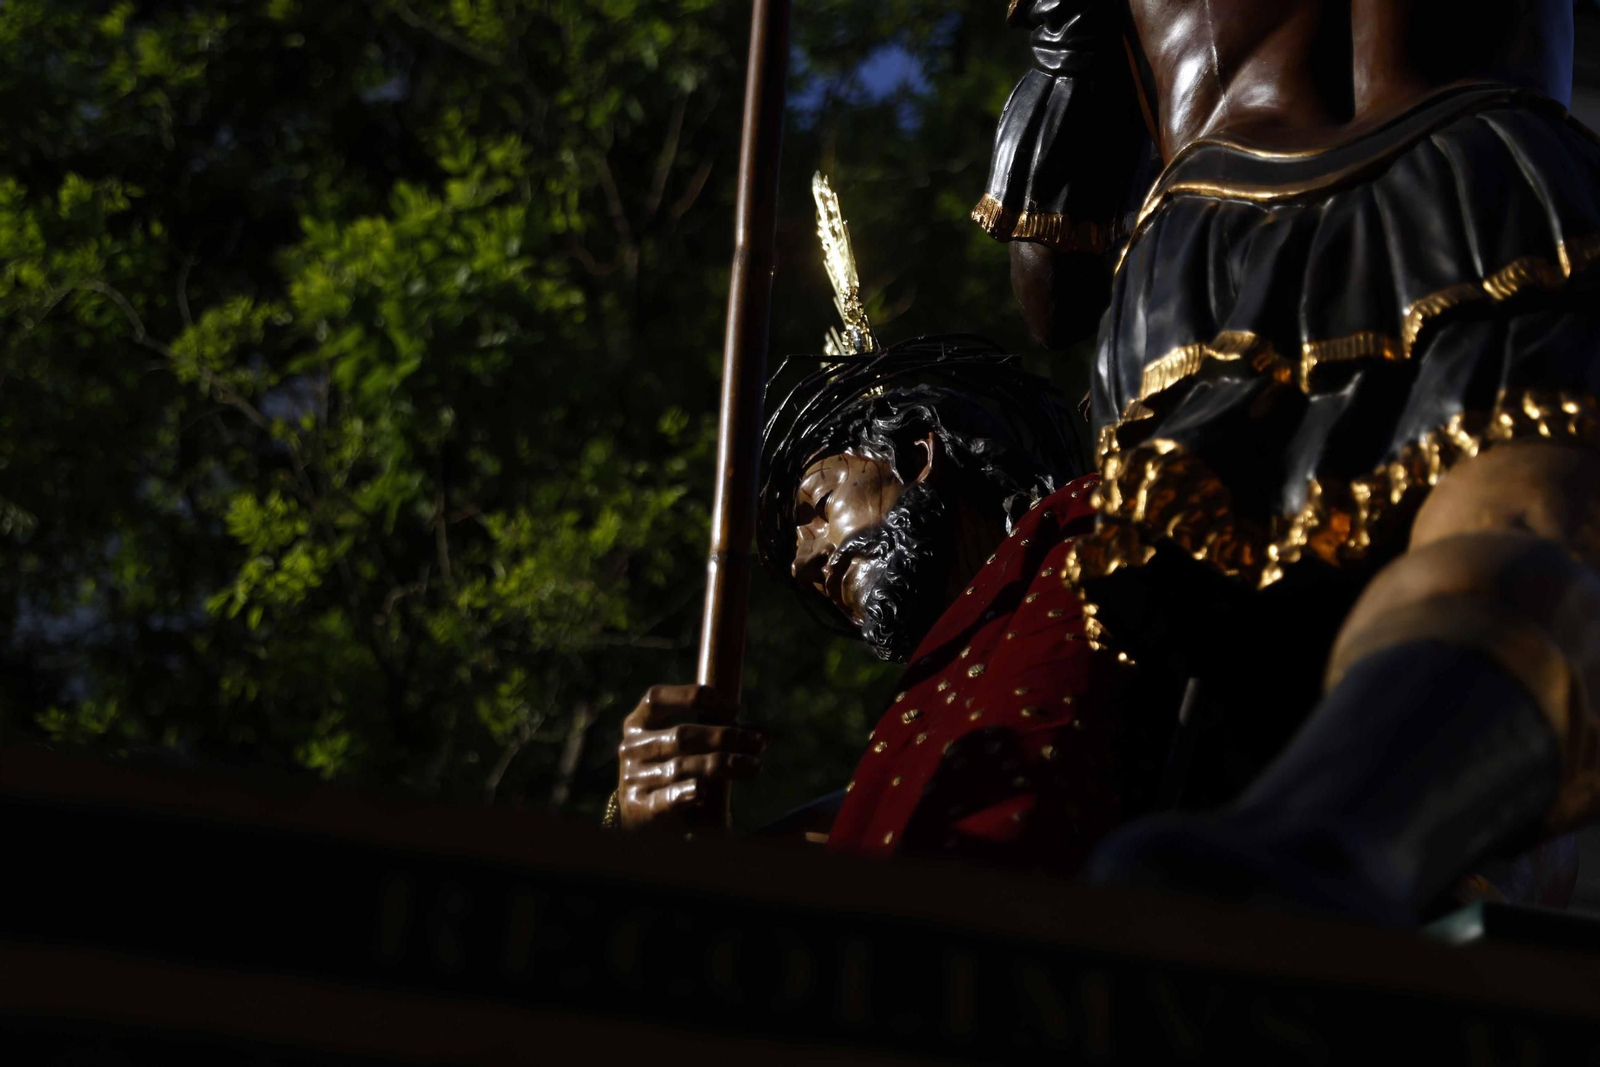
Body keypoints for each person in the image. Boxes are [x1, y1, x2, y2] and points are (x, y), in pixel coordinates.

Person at [972, 0, 1600, 922]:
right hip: (1483, 177)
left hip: (1205, 256)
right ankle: (1345, 852)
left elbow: (1054, 287)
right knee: (1528, 522)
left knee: (1232, 685)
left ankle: (1269, 877)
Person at [609, 340, 1175, 873]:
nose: (809, 562)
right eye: (796, 570)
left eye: (819, 506)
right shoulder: (885, 774)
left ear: (916, 454)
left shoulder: (1094, 527)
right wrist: (667, 848)